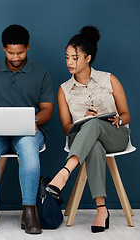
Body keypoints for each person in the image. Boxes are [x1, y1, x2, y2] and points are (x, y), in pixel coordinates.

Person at [46, 26, 131, 233]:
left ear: (88, 58)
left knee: (94, 125)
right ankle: (102, 210)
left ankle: (65, 172)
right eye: (66, 57)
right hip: (82, 140)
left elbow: (127, 115)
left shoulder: (109, 80)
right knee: (93, 144)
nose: (69, 62)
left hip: (116, 135)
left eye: (74, 58)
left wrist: (120, 119)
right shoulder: (64, 90)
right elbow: (67, 128)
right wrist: (84, 120)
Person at [0, 25, 54, 234]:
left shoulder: (41, 74)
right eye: (11, 52)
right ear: (3, 48)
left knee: (29, 152)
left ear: (28, 47)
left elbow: (48, 110)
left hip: (29, 131)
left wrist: (33, 120)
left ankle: (29, 212)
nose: (16, 57)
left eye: (20, 52)